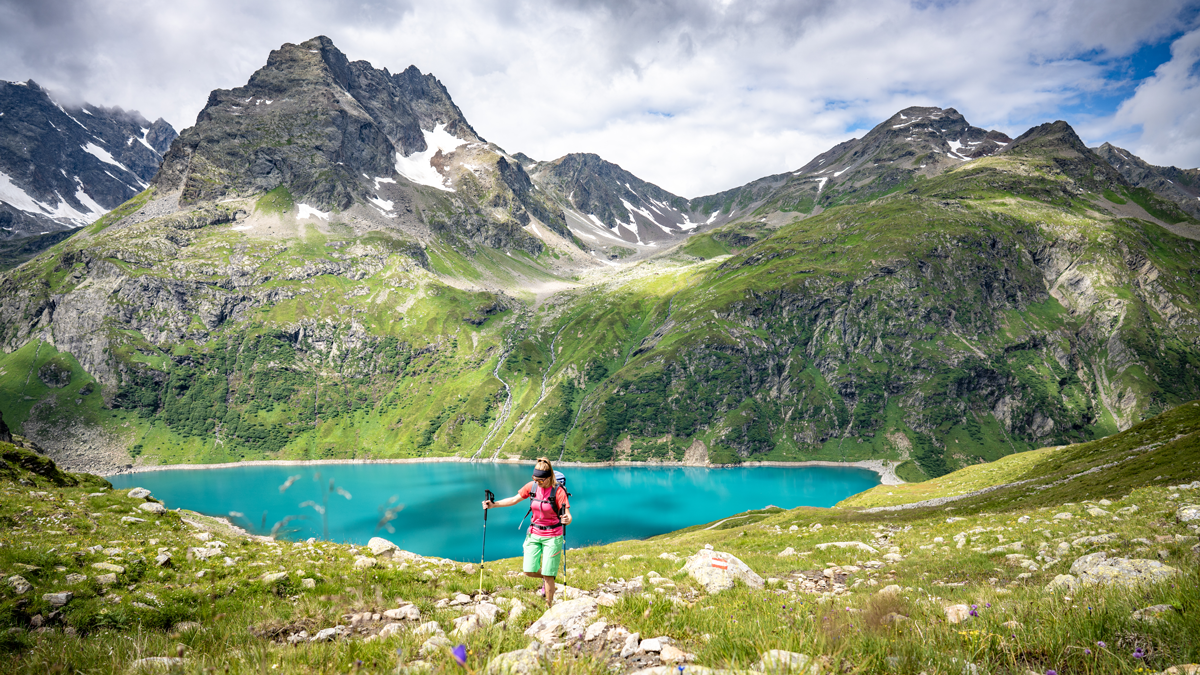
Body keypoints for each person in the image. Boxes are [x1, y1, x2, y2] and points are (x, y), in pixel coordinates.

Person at [481, 457, 572, 606]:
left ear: (549, 478)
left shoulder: (558, 491)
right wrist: (493, 505)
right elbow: (514, 499)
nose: (537, 483)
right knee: (529, 570)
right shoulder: (532, 487)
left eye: (541, 480)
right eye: (535, 479)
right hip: (534, 533)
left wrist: (567, 520)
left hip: (553, 536)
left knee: (549, 574)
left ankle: (549, 607)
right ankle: (547, 577)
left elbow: (568, 515)